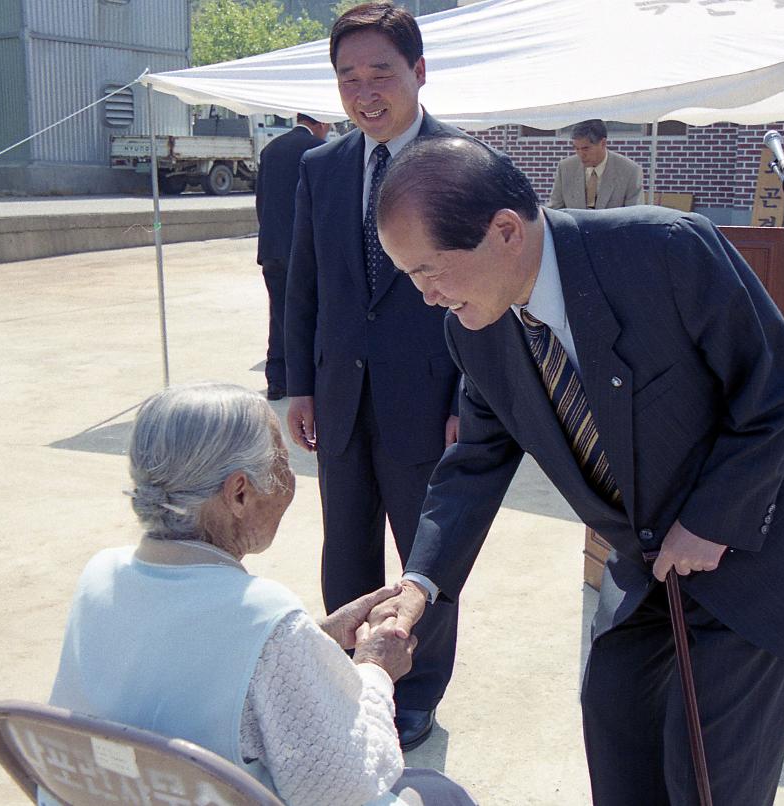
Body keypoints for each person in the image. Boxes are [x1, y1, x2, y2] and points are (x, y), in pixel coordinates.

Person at [370, 137, 784, 806]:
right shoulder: (474, 329)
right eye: (410, 278)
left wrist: (712, 520)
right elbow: (475, 463)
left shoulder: (666, 251)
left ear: (504, 231)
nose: (425, 296)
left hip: (755, 540)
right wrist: (421, 582)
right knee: (614, 722)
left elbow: (775, 390)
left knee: (708, 776)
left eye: (429, 270)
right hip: (646, 557)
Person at [46, 383, 476, 806]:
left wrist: (313, 639)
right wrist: (375, 669)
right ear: (238, 492)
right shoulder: (267, 618)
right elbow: (350, 786)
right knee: (440, 793)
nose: (289, 483)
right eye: (282, 466)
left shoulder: (100, 573)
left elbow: (199, 655)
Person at [283, 2, 464, 750]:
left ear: (417, 73)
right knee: (346, 548)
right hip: (339, 394)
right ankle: (354, 674)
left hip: (430, 400)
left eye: (380, 72)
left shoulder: (462, 163)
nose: (364, 91)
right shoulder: (321, 167)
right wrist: (296, 383)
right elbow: (303, 284)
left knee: (427, 560)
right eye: (347, 76)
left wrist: (471, 402)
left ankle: (416, 690)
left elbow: (494, 299)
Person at [255, 113, 332, 400]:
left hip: (272, 248)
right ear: (321, 124)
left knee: (278, 313)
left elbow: (261, 200)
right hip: (305, 251)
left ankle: (277, 379)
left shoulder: (270, 149)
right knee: (307, 314)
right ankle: (305, 378)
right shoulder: (318, 151)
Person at [547, 119, 643, 210]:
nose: (580, 154)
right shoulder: (565, 168)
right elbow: (554, 210)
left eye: (586, 149)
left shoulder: (630, 171)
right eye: (576, 148)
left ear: (603, 143)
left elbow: (635, 218)